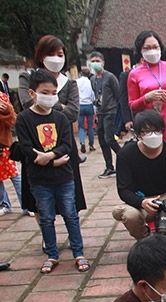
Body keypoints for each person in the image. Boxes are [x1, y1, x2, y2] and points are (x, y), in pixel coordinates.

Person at [15, 69, 89, 274]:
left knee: (70, 214)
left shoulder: (61, 118)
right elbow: (27, 148)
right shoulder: (23, 119)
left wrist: (50, 156)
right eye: (44, 92)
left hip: (64, 177)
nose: (49, 96)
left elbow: (67, 145)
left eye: (53, 92)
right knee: (46, 217)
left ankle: (78, 252)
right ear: (32, 93)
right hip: (39, 179)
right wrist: (49, 162)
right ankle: (52, 254)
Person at [19, 35, 87, 215]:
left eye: (60, 54)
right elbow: (27, 104)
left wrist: (47, 103)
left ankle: (73, 233)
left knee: (70, 195)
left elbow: (73, 113)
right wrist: (59, 106)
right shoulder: (27, 78)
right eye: (51, 54)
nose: (56, 58)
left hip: (63, 144)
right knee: (38, 198)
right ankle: (46, 235)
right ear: (41, 56)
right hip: (35, 146)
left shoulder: (69, 83)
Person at [112, 110, 166, 239]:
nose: (152, 135)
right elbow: (123, 190)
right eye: (146, 131)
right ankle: (144, 238)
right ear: (138, 134)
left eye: (157, 130)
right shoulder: (126, 154)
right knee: (129, 216)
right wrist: (141, 202)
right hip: (141, 199)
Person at [127, 31, 166, 155]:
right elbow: (132, 105)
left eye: (155, 47)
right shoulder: (134, 74)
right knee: (153, 157)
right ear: (140, 50)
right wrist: (146, 98)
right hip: (149, 124)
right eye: (147, 48)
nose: (152, 50)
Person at [89, 51, 121, 179]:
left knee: (109, 139)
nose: (95, 63)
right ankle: (109, 166)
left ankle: (123, 157)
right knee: (102, 140)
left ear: (103, 62)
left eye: (97, 61)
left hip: (110, 111)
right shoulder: (92, 79)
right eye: (93, 61)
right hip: (100, 112)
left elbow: (117, 94)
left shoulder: (110, 77)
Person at [76, 67, 96, 154]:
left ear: (81, 73)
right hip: (89, 105)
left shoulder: (77, 81)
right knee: (90, 126)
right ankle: (91, 144)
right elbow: (93, 95)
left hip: (80, 105)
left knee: (81, 127)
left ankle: (82, 142)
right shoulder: (90, 82)